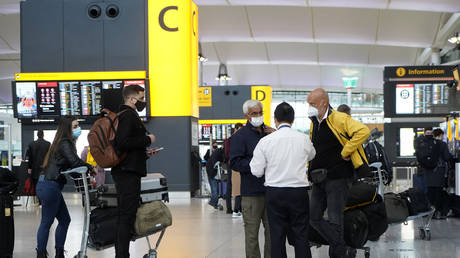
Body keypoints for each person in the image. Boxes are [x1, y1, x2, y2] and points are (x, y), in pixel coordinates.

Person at [307, 88, 370, 258]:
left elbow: (363, 131)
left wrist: (346, 151)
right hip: (318, 178)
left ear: (324, 103)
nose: (309, 107)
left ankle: (337, 254)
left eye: (312, 103)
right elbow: (314, 148)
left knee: (336, 219)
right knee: (313, 217)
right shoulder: (314, 122)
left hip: (338, 178)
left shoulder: (340, 118)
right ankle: (340, 245)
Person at [250, 102, 316, 258]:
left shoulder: (265, 141)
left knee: (277, 236)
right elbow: (312, 155)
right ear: (293, 120)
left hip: (275, 193)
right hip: (299, 193)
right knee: (301, 235)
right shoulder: (303, 139)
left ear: (275, 119)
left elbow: (256, 171)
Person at [36, 117, 96, 258]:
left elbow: (70, 164)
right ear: (67, 128)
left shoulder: (60, 143)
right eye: (75, 126)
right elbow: (74, 162)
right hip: (50, 186)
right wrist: (90, 167)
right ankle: (41, 254)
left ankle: (59, 253)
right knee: (47, 222)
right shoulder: (65, 142)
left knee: (64, 220)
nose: (78, 128)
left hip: (47, 184)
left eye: (78, 125)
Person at [112, 84, 157, 258]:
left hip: (127, 170)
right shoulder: (128, 116)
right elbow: (123, 142)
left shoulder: (125, 115)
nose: (143, 102)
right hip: (127, 173)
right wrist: (147, 139)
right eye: (142, 98)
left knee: (127, 214)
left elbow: (127, 148)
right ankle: (122, 255)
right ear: (132, 99)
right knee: (126, 216)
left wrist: (144, 154)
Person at [230, 99, 275, 258]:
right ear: (246, 116)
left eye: (260, 112)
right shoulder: (240, 136)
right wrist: (256, 164)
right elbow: (235, 163)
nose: (258, 116)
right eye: (254, 113)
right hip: (251, 194)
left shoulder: (271, 133)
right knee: (251, 236)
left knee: (273, 235)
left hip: (271, 191)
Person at [425, 129, 452, 219]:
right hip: (439, 171)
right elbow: (447, 157)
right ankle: (437, 212)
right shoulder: (442, 144)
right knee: (438, 192)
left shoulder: (428, 143)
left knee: (430, 192)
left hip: (429, 171)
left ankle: (429, 212)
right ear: (440, 135)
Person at [224, 123, 244, 217]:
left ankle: (237, 208)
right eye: (239, 129)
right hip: (232, 164)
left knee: (237, 186)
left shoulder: (241, 139)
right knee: (231, 185)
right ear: (235, 129)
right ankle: (231, 208)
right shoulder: (230, 140)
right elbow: (227, 153)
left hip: (238, 163)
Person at [414, 127, 438, 194]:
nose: (429, 134)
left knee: (431, 185)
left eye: (430, 133)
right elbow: (419, 154)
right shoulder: (419, 141)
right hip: (423, 167)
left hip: (433, 167)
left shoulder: (434, 141)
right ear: (424, 133)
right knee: (423, 185)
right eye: (428, 133)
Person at [205, 141, 225, 209]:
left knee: (215, 189)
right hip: (211, 172)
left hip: (212, 172)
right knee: (214, 189)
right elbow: (213, 162)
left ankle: (214, 203)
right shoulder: (217, 152)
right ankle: (213, 202)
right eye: (214, 146)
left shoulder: (219, 152)